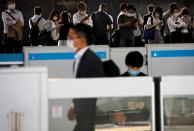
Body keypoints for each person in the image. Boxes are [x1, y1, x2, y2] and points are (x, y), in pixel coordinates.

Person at [67, 23, 105, 131]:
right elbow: (79, 86)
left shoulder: (91, 60)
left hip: (90, 116)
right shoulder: (78, 58)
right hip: (82, 114)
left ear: (82, 39)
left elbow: (100, 88)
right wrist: (74, 105)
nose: (68, 41)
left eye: (71, 37)